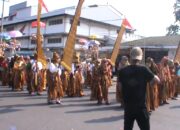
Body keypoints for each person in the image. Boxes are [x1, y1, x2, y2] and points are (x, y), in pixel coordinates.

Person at [118, 47, 160, 130]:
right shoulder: (144, 69)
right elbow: (157, 80)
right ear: (140, 57)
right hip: (141, 107)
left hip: (128, 107)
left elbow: (120, 88)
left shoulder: (122, 71)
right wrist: (150, 83)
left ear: (130, 56)